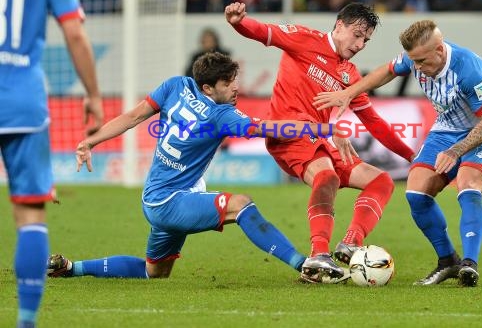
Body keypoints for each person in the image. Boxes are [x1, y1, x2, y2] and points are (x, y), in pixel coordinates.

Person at [47, 52, 355, 284]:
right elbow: (270, 128)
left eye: (235, 79)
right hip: (170, 202)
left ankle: (72, 268)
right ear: (208, 87)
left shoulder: (174, 86)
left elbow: (132, 117)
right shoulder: (221, 115)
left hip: (156, 198)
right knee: (241, 205)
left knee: (154, 271)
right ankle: (305, 264)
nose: (236, 87)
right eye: (228, 83)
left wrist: (91, 141)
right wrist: (326, 131)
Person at [224, 2, 415, 283]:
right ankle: (319, 255)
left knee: (382, 181)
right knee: (326, 176)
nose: (360, 44)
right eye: (357, 35)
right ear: (339, 25)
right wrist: (239, 22)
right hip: (287, 133)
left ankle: (350, 243)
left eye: (366, 40)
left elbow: (374, 122)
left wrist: (414, 157)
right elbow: (263, 32)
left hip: (320, 139)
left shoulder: (350, 75)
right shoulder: (303, 39)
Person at [313, 20, 482, 287]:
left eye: (421, 61)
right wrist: (349, 92)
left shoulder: (468, 68)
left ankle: (469, 264)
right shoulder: (416, 57)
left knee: (468, 183)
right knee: (416, 194)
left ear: (439, 50)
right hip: (446, 129)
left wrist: (455, 151)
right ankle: (448, 261)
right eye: (412, 61)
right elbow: (387, 71)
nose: (416, 68)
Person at [0, 0, 104, 327]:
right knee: (30, 215)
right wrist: (93, 94)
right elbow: (74, 33)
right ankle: (26, 322)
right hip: (22, 103)